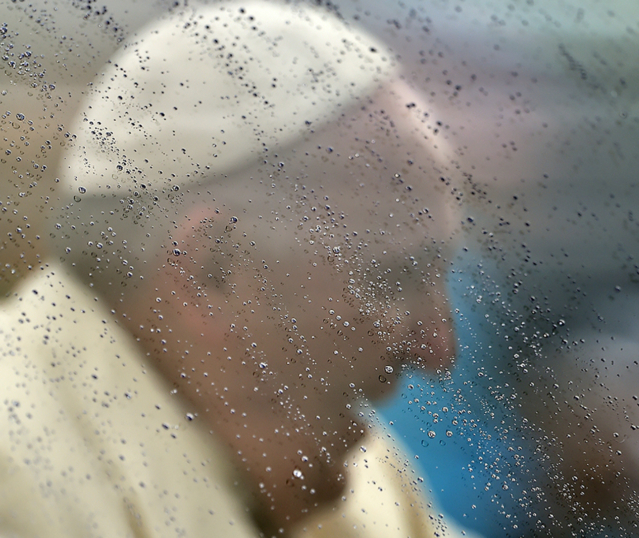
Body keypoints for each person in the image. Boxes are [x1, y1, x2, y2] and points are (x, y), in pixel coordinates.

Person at [0, 2, 472, 536]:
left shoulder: (364, 469)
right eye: (391, 278)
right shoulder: (15, 481)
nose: (439, 350)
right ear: (210, 270)